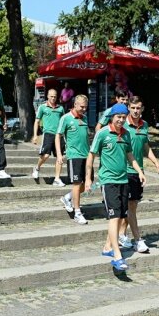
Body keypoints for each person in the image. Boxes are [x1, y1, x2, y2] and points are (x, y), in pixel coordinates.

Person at [86, 103, 147, 271]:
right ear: (112, 117)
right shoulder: (103, 133)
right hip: (109, 181)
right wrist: (88, 179)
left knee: (120, 216)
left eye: (123, 117)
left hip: (124, 180)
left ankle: (107, 247)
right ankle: (117, 255)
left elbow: (130, 156)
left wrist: (139, 171)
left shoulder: (126, 134)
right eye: (118, 117)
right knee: (114, 217)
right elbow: (91, 156)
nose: (120, 120)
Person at [117, 96, 159, 253]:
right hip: (125, 171)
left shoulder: (144, 126)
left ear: (142, 109)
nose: (136, 111)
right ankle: (137, 239)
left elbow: (146, 147)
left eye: (138, 108)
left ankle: (122, 235)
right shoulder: (122, 124)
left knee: (132, 206)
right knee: (130, 206)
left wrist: (156, 162)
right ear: (129, 107)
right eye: (133, 108)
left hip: (139, 172)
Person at [56, 95, 91, 225]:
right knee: (77, 184)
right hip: (74, 155)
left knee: (87, 184)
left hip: (86, 156)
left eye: (85, 107)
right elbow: (58, 136)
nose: (83, 109)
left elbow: (86, 137)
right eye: (81, 106)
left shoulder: (85, 118)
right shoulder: (66, 118)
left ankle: (67, 198)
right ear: (75, 104)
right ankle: (77, 212)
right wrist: (59, 154)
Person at [31, 88, 65, 186]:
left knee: (60, 157)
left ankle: (57, 178)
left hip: (58, 135)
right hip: (48, 133)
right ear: (47, 96)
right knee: (45, 155)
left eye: (55, 96)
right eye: (51, 96)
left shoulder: (60, 108)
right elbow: (37, 121)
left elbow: (64, 121)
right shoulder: (42, 107)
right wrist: (35, 135)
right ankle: (37, 168)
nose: (53, 98)